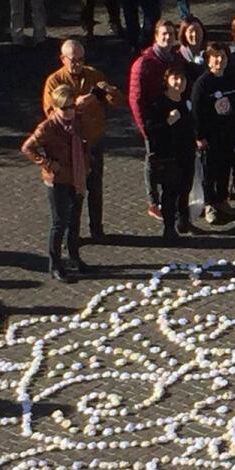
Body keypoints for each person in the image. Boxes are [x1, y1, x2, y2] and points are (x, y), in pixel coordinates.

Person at [41, 39, 123, 241]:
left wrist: (109, 91)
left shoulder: (94, 75)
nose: (77, 64)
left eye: (81, 59)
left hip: (92, 142)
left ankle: (97, 228)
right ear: (63, 59)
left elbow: (118, 102)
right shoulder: (54, 82)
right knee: (73, 192)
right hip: (69, 148)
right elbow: (51, 114)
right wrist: (76, 105)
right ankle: (72, 235)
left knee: (95, 188)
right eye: (73, 60)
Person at [21, 85, 93, 283]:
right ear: (56, 108)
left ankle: (74, 258)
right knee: (59, 222)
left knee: (75, 220)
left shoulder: (77, 121)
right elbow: (27, 148)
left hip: (76, 177)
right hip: (58, 180)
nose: (69, 111)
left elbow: (85, 142)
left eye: (72, 106)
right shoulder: (48, 128)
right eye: (65, 108)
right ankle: (55, 265)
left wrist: (85, 163)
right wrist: (47, 163)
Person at [128, 19, 178, 221]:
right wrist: (144, 127)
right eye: (164, 34)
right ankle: (153, 201)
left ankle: (169, 199)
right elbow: (135, 99)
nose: (167, 38)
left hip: (172, 119)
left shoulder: (175, 60)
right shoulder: (143, 64)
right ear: (156, 37)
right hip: (152, 121)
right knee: (152, 158)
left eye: (171, 34)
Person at [191, 42, 235, 223]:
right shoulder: (202, 84)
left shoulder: (231, 79)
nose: (220, 60)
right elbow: (197, 112)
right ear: (209, 60)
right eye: (216, 57)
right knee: (209, 171)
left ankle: (222, 200)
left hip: (228, 134)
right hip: (210, 137)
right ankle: (209, 204)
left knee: (225, 169)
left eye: (223, 57)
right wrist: (199, 136)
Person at [142, 66, 195, 242]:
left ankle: (183, 220)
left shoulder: (186, 101)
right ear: (167, 81)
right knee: (170, 191)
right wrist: (168, 122)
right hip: (168, 155)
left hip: (186, 152)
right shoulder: (159, 104)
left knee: (185, 188)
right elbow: (151, 129)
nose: (179, 83)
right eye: (175, 79)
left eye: (183, 79)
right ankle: (169, 227)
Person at [177, 15, 207, 86]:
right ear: (184, 34)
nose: (194, 34)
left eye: (197, 30)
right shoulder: (178, 57)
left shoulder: (209, 53)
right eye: (191, 31)